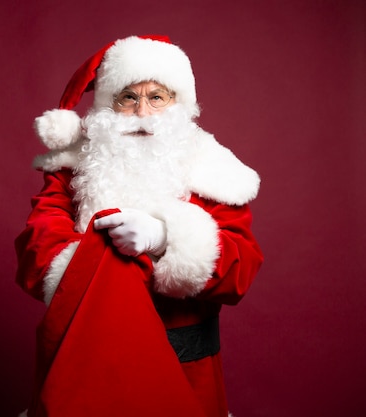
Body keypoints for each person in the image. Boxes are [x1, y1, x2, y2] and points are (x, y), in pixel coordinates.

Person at [15, 35, 263, 417]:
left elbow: (241, 268)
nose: (143, 112)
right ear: (106, 106)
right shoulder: (70, 169)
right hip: (85, 365)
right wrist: (100, 264)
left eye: (157, 97)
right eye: (128, 97)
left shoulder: (217, 171)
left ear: (179, 103)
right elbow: (36, 249)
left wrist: (167, 240)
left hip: (186, 374)